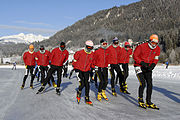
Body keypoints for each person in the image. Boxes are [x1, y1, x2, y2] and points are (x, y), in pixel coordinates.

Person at [133, 34, 160, 109]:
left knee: (150, 84)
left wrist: (153, 65)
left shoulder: (157, 49)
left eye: (156, 43)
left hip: (148, 67)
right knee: (143, 83)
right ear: (150, 41)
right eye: (153, 43)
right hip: (139, 65)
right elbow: (135, 55)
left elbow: (156, 58)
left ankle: (148, 101)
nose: (154, 45)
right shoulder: (141, 46)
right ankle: (140, 99)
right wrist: (141, 62)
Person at [74, 40, 94, 105]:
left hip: (87, 71)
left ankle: (87, 97)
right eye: (88, 48)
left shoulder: (92, 54)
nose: (89, 49)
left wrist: (94, 68)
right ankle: (79, 91)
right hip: (79, 70)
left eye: (91, 48)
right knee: (82, 83)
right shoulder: (80, 52)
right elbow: (75, 60)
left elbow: (92, 63)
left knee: (87, 84)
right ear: (86, 46)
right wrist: (75, 68)